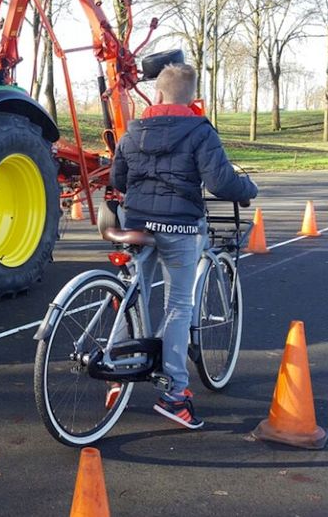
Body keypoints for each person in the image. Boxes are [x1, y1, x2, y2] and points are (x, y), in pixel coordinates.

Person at [108, 63, 258, 429]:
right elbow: (221, 182)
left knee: (134, 295)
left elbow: (118, 179)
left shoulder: (133, 130)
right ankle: (175, 395)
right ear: (192, 99)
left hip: (137, 222)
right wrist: (248, 188)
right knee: (178, 306)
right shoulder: (200, 131)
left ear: (157, 94)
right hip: (180, 227)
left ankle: (116, 371)